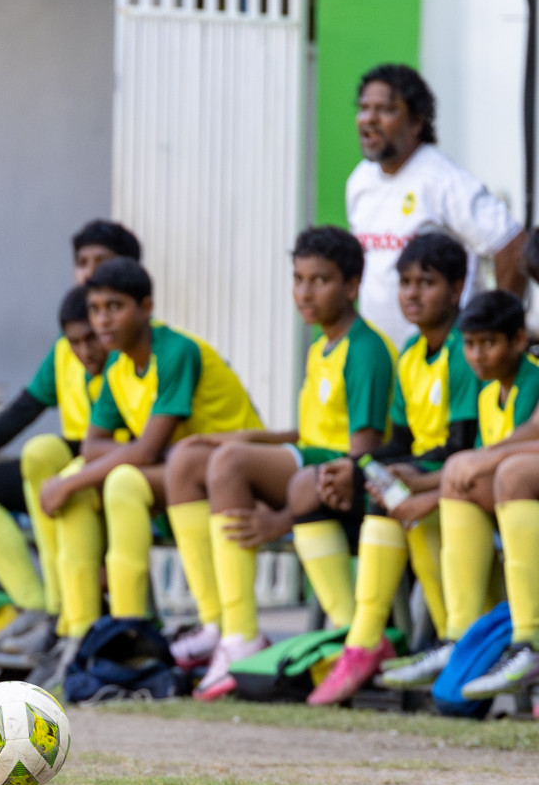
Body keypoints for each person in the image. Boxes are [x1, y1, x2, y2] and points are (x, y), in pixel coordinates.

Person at [160, 227, 395, 698]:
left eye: (320, 280)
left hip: (340, 482)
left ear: (352, 286)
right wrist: (255, 435)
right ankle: (220, 624)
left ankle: (249, 637)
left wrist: (280, 521)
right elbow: (313, 433)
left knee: (228, 463)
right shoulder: (319, 348)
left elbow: (360, 453)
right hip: (311, 462)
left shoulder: (365, 349)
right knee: (187, 459)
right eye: (298, 278)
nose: (304, 292)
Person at [35, 258, 262, 687]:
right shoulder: (118, 367)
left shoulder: (176, 350)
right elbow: (93, 444)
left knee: (113, 480)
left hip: (239, 474)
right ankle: (87, 631)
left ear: (146, 306)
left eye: (114, 307)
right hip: (181, 476)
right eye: (96, 308)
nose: (102, 319)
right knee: (100, 482)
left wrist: (71, 480)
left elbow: (150, 447)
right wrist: (103, 465)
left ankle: (143, 628)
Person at [0, 221, 140, 655]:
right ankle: (40, 607)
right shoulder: (68, 344)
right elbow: (23, 409)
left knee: (47, 458)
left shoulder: (139, 343)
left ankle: (85, 622)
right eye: (82, 264)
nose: (88, 273)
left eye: (100, 263)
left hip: (127, 466)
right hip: (72, 464)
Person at [294, 232, 477, 705]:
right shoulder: (411, 356)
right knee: (372, 490)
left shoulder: (464, 348)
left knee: (394, 500)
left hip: (462, 483)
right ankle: (372, 639)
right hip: (426, 478)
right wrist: (357, 471)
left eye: (427, 283)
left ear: (458, 289)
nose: (413, 294)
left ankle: (389, 641)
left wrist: (382, 473)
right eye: (405, 282)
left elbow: (460, 443)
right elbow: (396, 443)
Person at [382, 289, 539, 692]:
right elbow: (484, 462)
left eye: (489, 343)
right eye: (470, 344)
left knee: (505, 474)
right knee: (458, 474)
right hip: (511, 495)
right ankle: (460, 637)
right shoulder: (489, 392)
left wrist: (443, 484)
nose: (477, 355)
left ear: (518, 341)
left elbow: (514, 451)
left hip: (520, 490)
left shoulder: (532, 376)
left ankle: (529, 640)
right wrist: (421, 484)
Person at [347, 64, 525, 348]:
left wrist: (496, 330)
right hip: (385, 361)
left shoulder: (443, 180)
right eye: (364, 108)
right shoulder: (360, 181)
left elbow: (512, 245)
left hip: (443, 361)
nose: (369, 119)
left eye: (385, 110)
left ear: (416, 122)